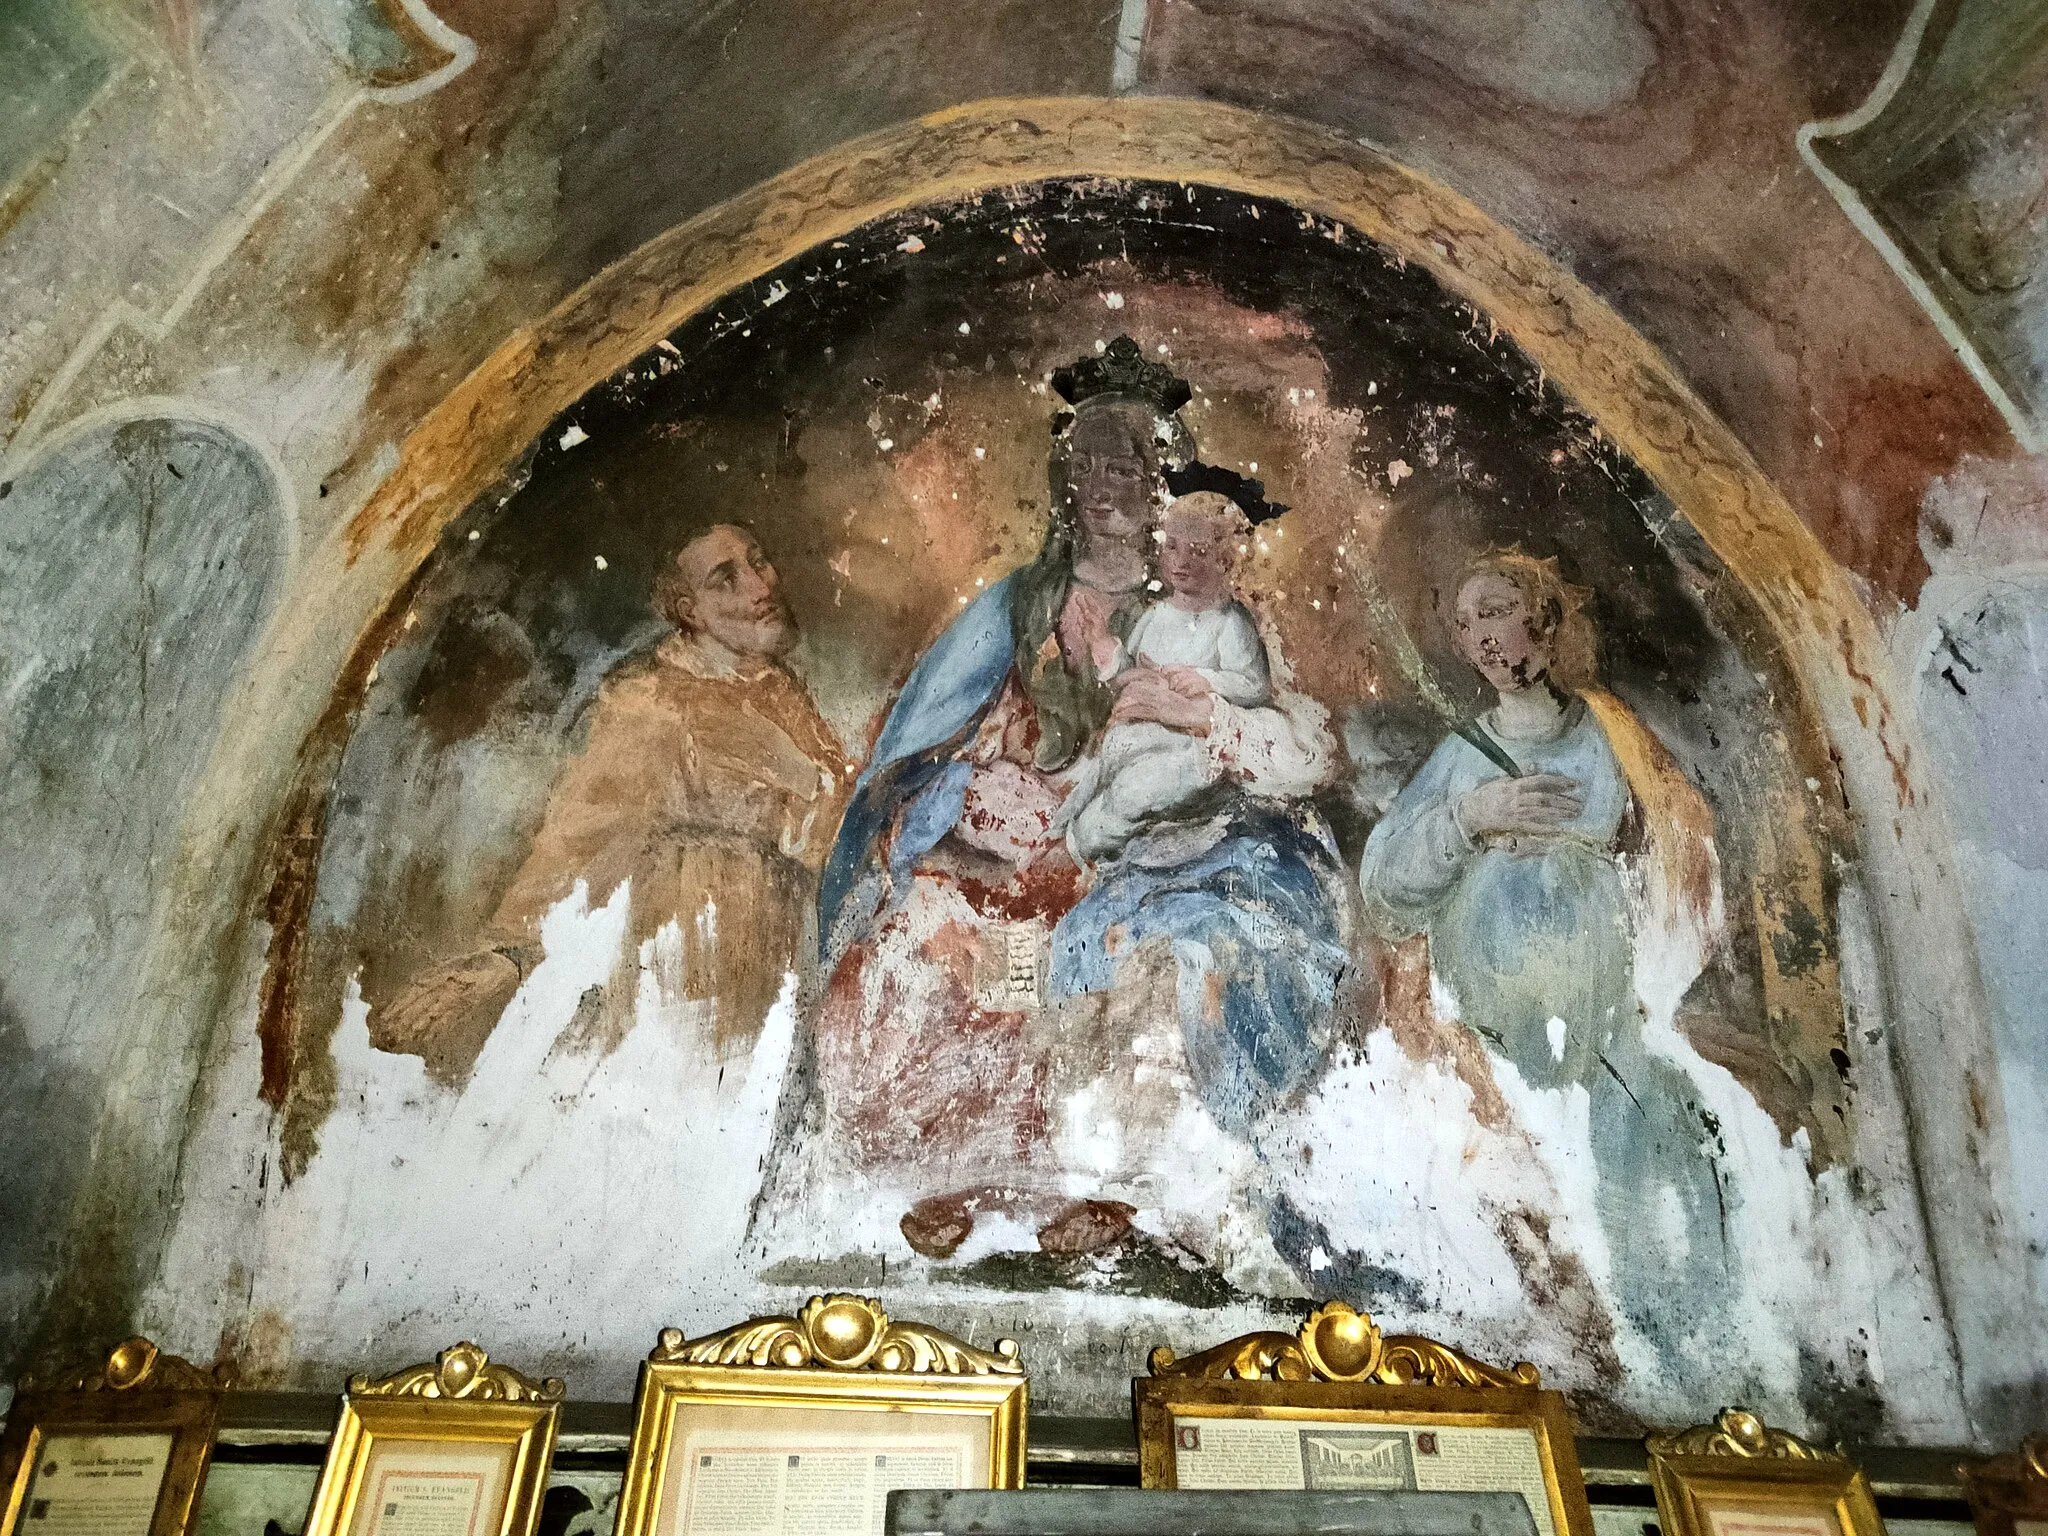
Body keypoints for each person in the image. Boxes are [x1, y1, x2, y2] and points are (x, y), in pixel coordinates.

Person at [793, 338, 1346, 1264]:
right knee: (948, 937)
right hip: (1024, 842)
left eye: (1127, 463)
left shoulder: (1219, 614)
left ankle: (1115, 1185)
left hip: (1155, 841)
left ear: (1161, 481)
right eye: (1086, 462)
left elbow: (1270, 739)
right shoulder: (1017, 605)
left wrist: (1196, 730)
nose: (1105, 482)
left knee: (1173, 953)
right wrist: (978, 793)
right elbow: (929, 742)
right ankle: (969, 1170)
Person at [1358, 549, 1727, 1356]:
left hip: (1605, 1016)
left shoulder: (1610, 732)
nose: (1481, 637)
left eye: (1496, 611)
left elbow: (1681, 839)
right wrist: (1474, 814)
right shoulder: (1464, 753)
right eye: (1465, 623)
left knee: (1649, 1149)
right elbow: (1385, 882)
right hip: (1491, 1026)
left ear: (1547, 620)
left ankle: (1673, 1342)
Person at [372, 524, 850, 1070]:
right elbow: (576, 842)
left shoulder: (778, 688)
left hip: (785, 954)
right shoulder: (651, 703)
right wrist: (506, 954)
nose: (760, 585)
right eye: (725, 580)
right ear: (689, 612)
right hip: (695, 968)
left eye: (758, 561)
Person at [1060, 490, 1271, 862]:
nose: (1181, 561)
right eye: (1172, 547)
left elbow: (1254, 685)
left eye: (1198, 552)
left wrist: (1207, 680)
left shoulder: (1230, 623)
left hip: (1189, 747)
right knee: (1097, 773)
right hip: (1139, 732)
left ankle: (1081, 852)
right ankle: (1065, 840)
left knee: (1131, 791)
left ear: (1225, 560)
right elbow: (1128, 675)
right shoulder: (1156, 616)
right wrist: (1102, 643)